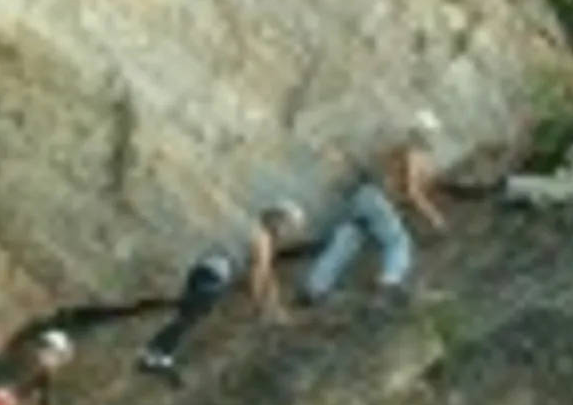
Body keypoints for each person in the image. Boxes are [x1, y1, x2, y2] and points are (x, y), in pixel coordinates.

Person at [135, 201, 305, 384]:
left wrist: (275, 306)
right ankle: (153, 353)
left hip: (202, 269)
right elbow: (259, 273)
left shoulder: (250, 228)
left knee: (191, 316)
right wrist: (259, 306)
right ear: (277, 220)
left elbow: (268, 276)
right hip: (215, 275)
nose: (288, 233)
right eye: (288, 226)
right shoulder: (261, 238)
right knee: (193, 314)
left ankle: (161, 355)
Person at [297, 110, 447, 308]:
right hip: (376, 199)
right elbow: (411, 190)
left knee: (347, 239)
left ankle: (314, 287)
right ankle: (389, 283)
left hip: (361, 195)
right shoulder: (412, 153)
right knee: (398, 241)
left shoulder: (394, 149)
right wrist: (434, 217)